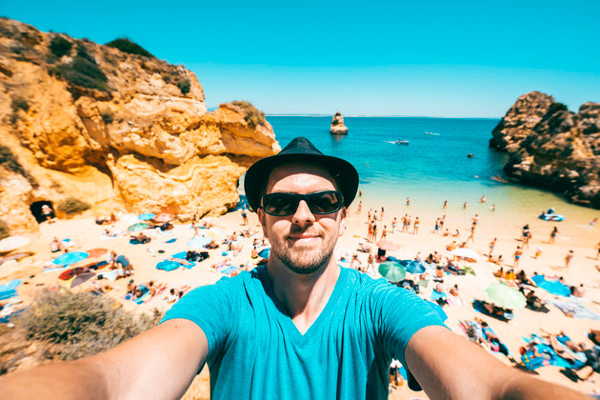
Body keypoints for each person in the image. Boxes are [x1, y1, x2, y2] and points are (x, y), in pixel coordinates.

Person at [0, 137, 586, 400]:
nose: (303, 216)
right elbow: (115, 382)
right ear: (259, 217)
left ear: (342, 214)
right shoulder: (222, 304)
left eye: (323, 201)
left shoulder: (382, 306)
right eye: (282, 203)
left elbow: (491, 385)